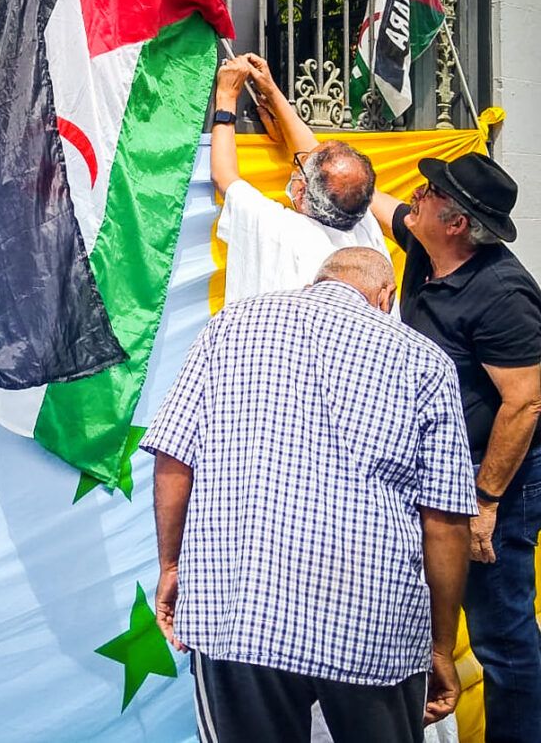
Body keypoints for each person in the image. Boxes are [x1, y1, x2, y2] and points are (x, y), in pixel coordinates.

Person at [143, 247, 477, 743]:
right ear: (385, 298)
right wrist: (441, 648)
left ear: (315, 283)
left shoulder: (230, 326)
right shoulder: (425, 361)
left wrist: (172, 567)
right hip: (371, 623)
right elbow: (446, 520)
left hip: (239, 609)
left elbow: (174, 459)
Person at [371, 154, 541, 742]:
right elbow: (369, 196)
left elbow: (525, 403)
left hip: (497, 477)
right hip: (442, 470)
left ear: (457, 223)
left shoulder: (502, 294)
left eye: (429, 191)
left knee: (503, 635)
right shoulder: (429, 247)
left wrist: (486, 502)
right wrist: (288, 121)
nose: (415, 195)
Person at [211, 55, 390, 303]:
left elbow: (224, 175)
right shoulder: (366, 231)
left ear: (300, 192)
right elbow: (319, 161)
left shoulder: (278, 228)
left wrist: (227, 97)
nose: (299, 160)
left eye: (301, 163)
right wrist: (272, 92)